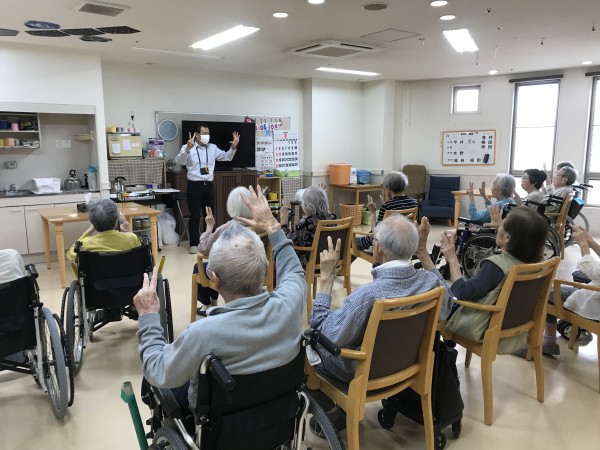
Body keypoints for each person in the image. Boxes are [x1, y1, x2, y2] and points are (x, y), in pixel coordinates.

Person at [135, 185, 306, 413]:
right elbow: (294, 271)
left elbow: (157, 371)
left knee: (157, 383)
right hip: (277, 412)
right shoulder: (291, 303)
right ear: (265, 270)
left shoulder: (201, 334)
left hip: (219, 421)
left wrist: (148, 316)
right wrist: (273, 226)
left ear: (214, 279)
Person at [442, 206, 548, 354]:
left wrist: (452, 259)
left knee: (439, 306)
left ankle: (446, 352)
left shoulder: (495, 267)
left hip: (484, 328)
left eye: (503, 223)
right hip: (514, 327)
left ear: (508, 237)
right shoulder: (537, 265)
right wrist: (501, 225)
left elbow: (461, 293)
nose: (499, 226)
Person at [175, 123, 240, 254]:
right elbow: (180, 161)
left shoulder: (212, 148)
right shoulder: (189, 147)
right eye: (204, 133)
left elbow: (227, 157)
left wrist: (233, 146)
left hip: (208, 185)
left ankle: (209, 243)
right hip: (194, 185)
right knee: (194, 215)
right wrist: (187, 149)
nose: (207, 136)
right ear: (197, 135)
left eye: (208, 133)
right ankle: (194, 244)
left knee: (209, 215)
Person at [194, 186, 253, 316]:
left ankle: (208, 304)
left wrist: (209, 227)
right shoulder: (260, 226)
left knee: (198, 267)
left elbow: (203, 249)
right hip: (254, 271)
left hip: (232, 274)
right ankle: (213, 301)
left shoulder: (227, 228)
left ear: (231, 206)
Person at [542, 226, 600, 356]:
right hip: (594, 297)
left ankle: (549, 342)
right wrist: (591, 242)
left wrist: (583, 245)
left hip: (595, 304)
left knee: (547, 294)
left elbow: (591, 269)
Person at [355, 171, 418, 253]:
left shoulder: (387, 206)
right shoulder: (414, 202)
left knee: (348, 241)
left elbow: (376, 234)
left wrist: (372, 212)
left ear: (389, 188)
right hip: (403, 243)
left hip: (385, 245)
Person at [66, 199, 140, 262]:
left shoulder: (85, 244)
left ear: (92, 222)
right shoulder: (131, 238)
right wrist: (128, 232)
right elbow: (138, 255)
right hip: (127, 275)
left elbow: (70, 254)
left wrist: (89, 230)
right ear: (116, 219)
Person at [280, 185, 336, 268]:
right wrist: (320, 199)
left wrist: (283, 217)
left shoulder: (306, 223)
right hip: (328, 261)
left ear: (306, 205)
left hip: (307, 264)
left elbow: (285, 240)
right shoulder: (332, 219)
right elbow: (325, 212)